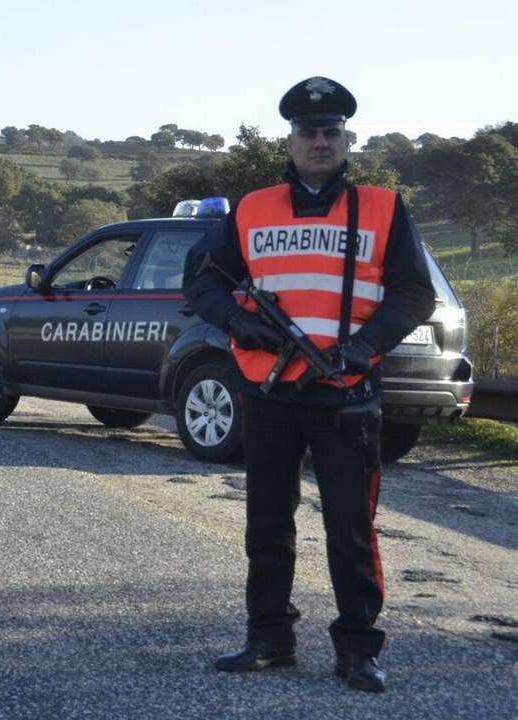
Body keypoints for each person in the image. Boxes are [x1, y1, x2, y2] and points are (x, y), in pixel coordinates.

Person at [182, 77, 436, 692]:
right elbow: (203, 281)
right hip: (268, 392)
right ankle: (269, 638)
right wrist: (241, 323)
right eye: (307, 132)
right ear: (290, 140)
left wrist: (364, 348)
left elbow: (414, 292)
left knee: (351, 527)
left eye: (330, 132)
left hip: (346, 391)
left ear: (347, 139)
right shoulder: (252, 207)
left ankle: (359, 649)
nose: (319, 142)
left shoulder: (382, 206)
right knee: (267, 523)